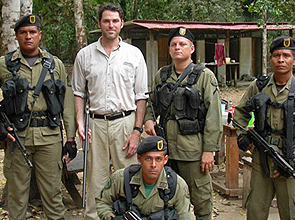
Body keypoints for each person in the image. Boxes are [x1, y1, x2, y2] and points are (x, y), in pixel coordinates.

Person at [0, 14, 76, 219]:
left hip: (49, 138)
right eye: (23, 33)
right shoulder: (3, 65)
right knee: (17, 197)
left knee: (53, 196)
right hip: (17, 138)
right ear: (16, 36)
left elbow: (67, 104)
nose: (28, 36)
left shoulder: (55, 65)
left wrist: (71, 139)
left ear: (40, 35)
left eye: (32, 32)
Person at [71, 3, 148, 220]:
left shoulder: (134, 55)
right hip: (95, 123)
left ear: (122, 24)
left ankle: (132, 215)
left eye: (115, 21)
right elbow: (78, 92)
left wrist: (136, 130)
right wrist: (80, 121)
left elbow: (141, 96)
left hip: (125, 122)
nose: (111, 25)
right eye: (106, 21)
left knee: (129, 175)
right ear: (99, 24)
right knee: (96, 177)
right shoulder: (85, 55)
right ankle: (95, 217)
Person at [144, 27, 222, 220]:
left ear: (192, 48)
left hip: (193, 152)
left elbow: (214, 115)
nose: (177, 48)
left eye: (182, 44)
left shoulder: (204, 76)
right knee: (167, 198)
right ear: (169, 49)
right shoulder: (161, 75)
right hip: (166, 151)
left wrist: (208, 150)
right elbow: (150, 103)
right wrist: (147, 120)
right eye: (174, 44)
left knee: (201, 199)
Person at [234, 36, 295, 220]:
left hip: (291, 160)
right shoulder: (259, 86)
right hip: (261, 159)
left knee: (294, 213)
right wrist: (241, 135)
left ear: (294, 60)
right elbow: (240, 113)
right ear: (270, 58)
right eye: (276, 55)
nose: (280, 60)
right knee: (256, 210)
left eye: (286, 55)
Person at [95, 136, 191, 220]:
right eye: (148, 158)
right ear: (139, 158)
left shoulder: (177, 185)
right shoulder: (122, 178)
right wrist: (111, 217)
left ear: (165, 160)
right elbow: (103, 202)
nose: (153, 165)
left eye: (158, 159)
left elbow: (184, 217)